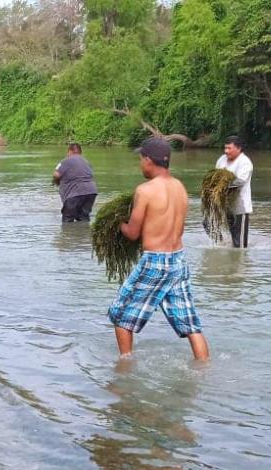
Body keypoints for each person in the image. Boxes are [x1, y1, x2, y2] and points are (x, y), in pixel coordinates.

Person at [108, 137, 209, 360]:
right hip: (178, 260)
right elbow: (179, 229)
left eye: (140, 159)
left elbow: (133, 233)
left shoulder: (145, 191)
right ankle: (204, 368)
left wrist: (117, 222)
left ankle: (124, 371)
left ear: (148, 160)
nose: (140, 164)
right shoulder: (180, 187)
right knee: (190, 323)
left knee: (120, 315)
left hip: (155, 261)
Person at [215, 136, 253, 248]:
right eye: (225, 148)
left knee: (240, 245)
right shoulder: (222, 160)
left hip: (240, 207)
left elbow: (238, 183)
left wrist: (220, 188)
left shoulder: (245, 163)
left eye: (229, 148)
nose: (226, 151)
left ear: (239, 148)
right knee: (208, 223)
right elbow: (215, 177)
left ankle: (240, 264)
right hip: (226, 205)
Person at [53, 143, 97, 222]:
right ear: (80, 152)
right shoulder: (86, 162)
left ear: (69, 151)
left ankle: (67, 234)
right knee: (83, 217)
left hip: (75, 194)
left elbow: (56, 174)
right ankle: (84, 233)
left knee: (68, 219)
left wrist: (56, 182)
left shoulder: (66, 161)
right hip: (91, 192)